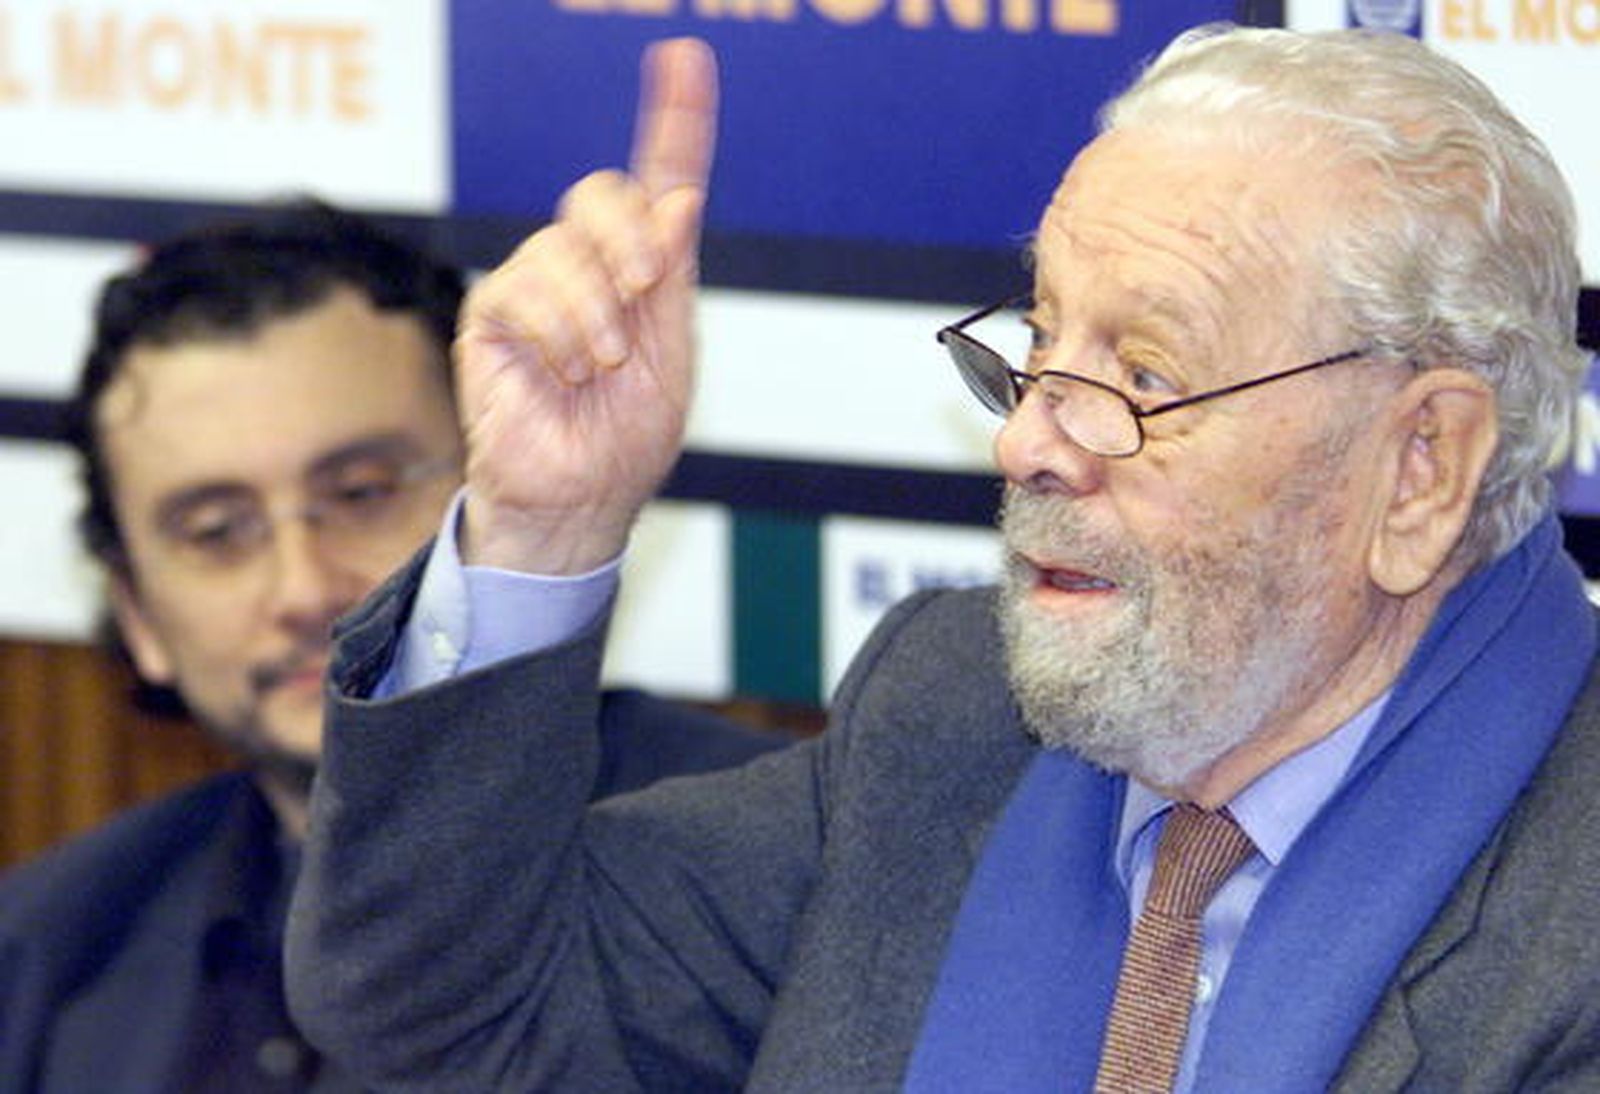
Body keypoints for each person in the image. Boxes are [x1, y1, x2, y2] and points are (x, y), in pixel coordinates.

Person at [286, 25, 1600, 1093]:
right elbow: (439, 1016)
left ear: (1421, 464)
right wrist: (540, 527)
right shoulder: (955, 712)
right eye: (1040, 346)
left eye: (1144, 374)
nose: (1028, 438)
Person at [0, 200, 787, 1093]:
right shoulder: (43, 953)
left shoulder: (759, 867)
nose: (304, 590)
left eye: (363, 491)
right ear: (137, 614)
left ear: (506, 467)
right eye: (218, 530)